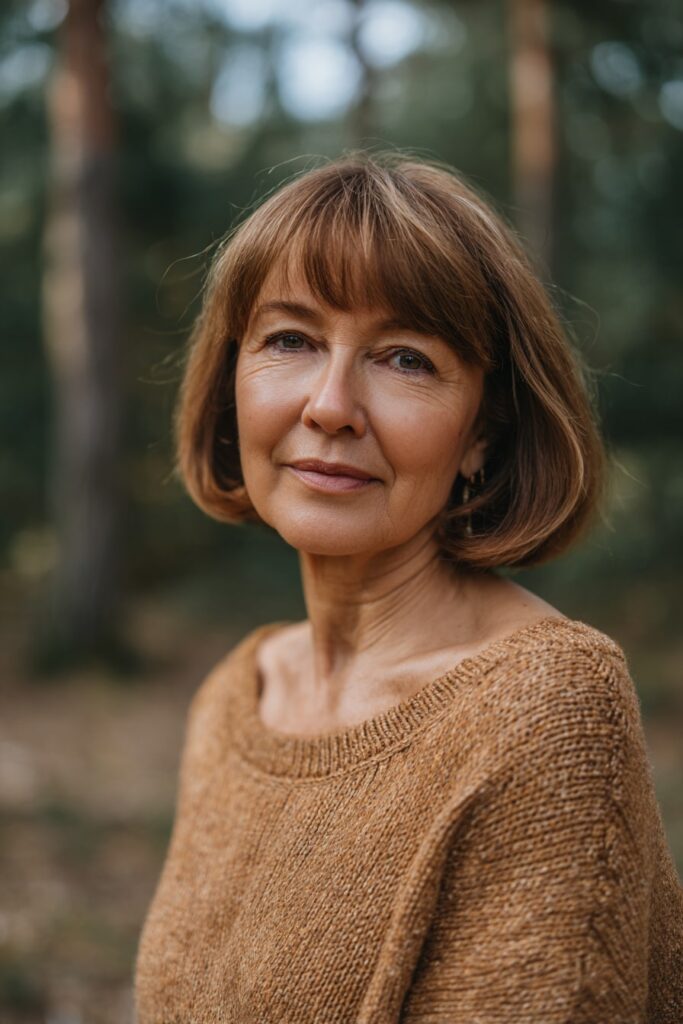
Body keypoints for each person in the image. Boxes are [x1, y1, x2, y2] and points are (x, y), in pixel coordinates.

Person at [133, 153, 683, 1022]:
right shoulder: (237, 697)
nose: (330, 404)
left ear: (481, 435)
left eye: (404, 359)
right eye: (290, 340)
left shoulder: (546, 709)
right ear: (230, 378)